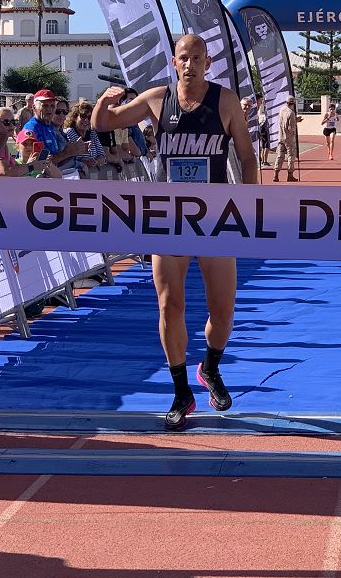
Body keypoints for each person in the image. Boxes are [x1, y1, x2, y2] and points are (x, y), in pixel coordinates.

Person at [92, 34, 257, 431]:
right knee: (169, 305)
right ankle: (182, 391)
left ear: (207, 61)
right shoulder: (156, 99)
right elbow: (105, 124)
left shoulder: (225, 101)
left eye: (197, 58)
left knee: (223, 309)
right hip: (169, 219)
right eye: (184, 58)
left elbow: (248, 158)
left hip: (215, 219)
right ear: (174, 61)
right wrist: (103, 102)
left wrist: (249, 206)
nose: (190, 64)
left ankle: (210, 368)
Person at [17, 89, 89, 169]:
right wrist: (66, 153)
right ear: (34, 107)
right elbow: (39, 164)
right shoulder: (32, 129)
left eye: (52, 106)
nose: (49, 109)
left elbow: (55, 159)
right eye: (45, 106)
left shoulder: (49, 127)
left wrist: (76, 150)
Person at [0, 107, 60, 177]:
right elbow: (6, 171)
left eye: (13, 122)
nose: (11, 125)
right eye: (6, 122)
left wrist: (44, 163)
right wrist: (32, 166)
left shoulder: (1, 143)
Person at [63, 102, 106, 177]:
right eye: (83, 116)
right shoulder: (68, 133)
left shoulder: (92, 133)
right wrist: (82, 162)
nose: (86, 120)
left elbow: (102, 155)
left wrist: (95, 162)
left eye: (89, 117)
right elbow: (68, 158)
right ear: (75, 117)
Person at [273, 95, 299, 182]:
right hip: (288, 137)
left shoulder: (282, 109)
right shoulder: (291, 113)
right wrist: (295, 124)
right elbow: (290, 127)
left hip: (281, 136)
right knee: (291, 156)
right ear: (293, 103)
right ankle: (290, 174)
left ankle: (276, 174)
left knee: (280, 155)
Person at [257, 94, 271, 168]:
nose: (261, 101)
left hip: (262, 126)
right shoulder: (262, 107)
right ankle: (264, 161)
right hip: (262, 126)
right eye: (260, 100)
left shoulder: (260, 107)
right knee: (266, 145)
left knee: (263, 145)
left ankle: (263, 160)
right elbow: (262, 117)